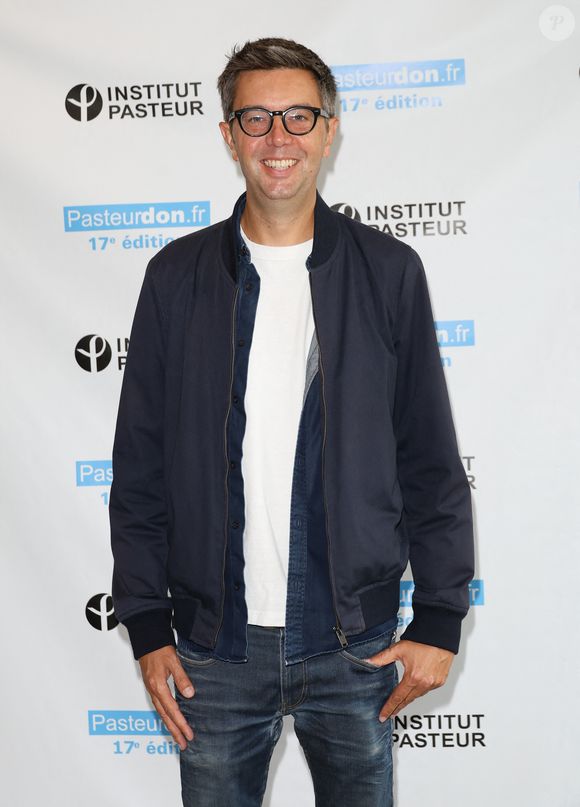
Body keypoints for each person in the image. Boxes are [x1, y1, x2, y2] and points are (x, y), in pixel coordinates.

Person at [109, 37, 474, 807]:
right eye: (257, 117)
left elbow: (431, 463)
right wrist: (146, 624)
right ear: (228, 133)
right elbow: (139, 469)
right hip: (211, 649)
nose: (279, 137)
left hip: (356, 645)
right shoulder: (175, 278)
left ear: (329, 129)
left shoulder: (388, 272)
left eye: (299, 116)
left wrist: (440, 619)